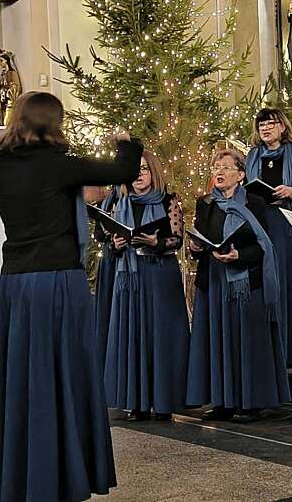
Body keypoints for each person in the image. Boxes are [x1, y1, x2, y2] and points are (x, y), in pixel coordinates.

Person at [0, 91, 142, 501]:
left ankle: (21, 474)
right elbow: (124, 170)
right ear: (53, 123)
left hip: (16, 283)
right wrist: (125, 140)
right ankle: (63, 471)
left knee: (23, 379)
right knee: (65, 374)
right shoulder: (59, 164)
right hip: (58, 282)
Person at [186, 149, 290, 422]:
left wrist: (239, 256)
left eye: (225, 167)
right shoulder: (205, 203)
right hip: (215, 281)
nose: (219, 172)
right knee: (218, 341)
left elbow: (263, 245)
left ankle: (249, 403)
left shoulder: (254, 203)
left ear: (240, 174)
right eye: (215, 167)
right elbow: (200, 240)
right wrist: (195, 247)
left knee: (246, 342)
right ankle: (223, 401)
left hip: (245, 281)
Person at [104, 150, 189, 422]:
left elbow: (177, 238)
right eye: (134, 170)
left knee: (161, 336)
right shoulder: (119, 202)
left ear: (154, 172)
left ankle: (164, 403)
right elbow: (107, 237)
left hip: (160, 275)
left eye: (144, 169)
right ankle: (137, 403)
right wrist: (116, 244)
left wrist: (157, 242)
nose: (139, 175)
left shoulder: (167, 200)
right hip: (130, 277)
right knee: (134, 334)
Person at [246, 107, 292, 367]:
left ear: (282, 127)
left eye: (271, 123)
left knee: (287, 280)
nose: (265, 128)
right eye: (261, 125)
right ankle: (266, 347)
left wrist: (291, 191)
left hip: (288, 224)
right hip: (259, 222)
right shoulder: (252, 156)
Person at [88, 185, 120, 379]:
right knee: (107, 309)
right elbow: (98, 235)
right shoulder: (107, 200)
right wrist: (106, 230)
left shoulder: (131, 198)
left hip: (126, 260)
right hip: (109, 259)